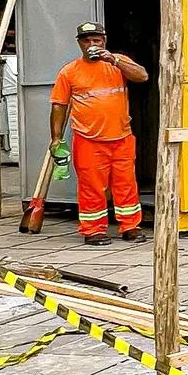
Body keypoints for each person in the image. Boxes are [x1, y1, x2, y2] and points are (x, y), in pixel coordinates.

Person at [48, 21, 150, 244]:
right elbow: (59, 106)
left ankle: (130, 226)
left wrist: (112, 59)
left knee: (126, 184)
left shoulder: (117, 62)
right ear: (79, 44)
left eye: (96, 40)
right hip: (88, 139)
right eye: (86, 40)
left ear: (104, 41)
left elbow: (142, 76)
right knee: (91, 186)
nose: (91, 44)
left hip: (122, 136)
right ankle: (93, 230)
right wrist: (56, 139)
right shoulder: (70, 72)